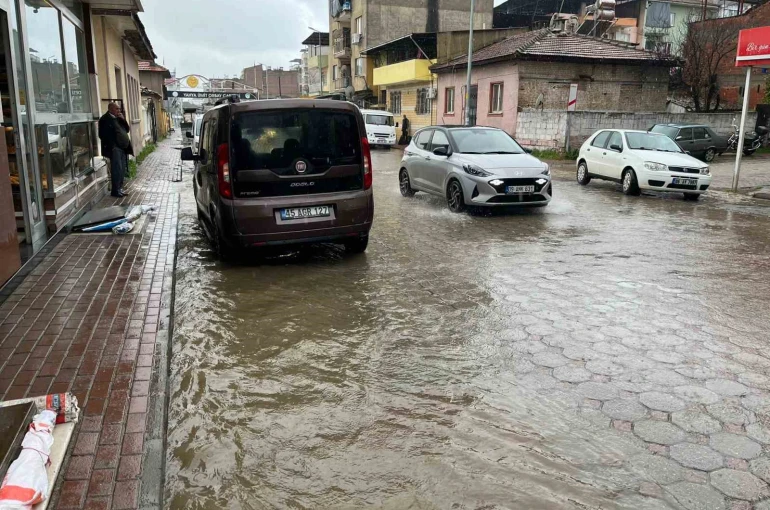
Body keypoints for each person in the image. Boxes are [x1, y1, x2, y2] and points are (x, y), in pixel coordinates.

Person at [98, 102, 133, 197]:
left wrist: (123, 120)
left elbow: (127, 129)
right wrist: (112, 146)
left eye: (119, 109)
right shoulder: (105, 119)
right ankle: (115, 190)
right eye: (117, 109)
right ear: (110, 109)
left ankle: (120, 188)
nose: (119, 111)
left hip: (123, 147)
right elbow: (102, 135)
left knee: (122, 169)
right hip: (115, 148)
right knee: (116, 169)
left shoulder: (118, 118)